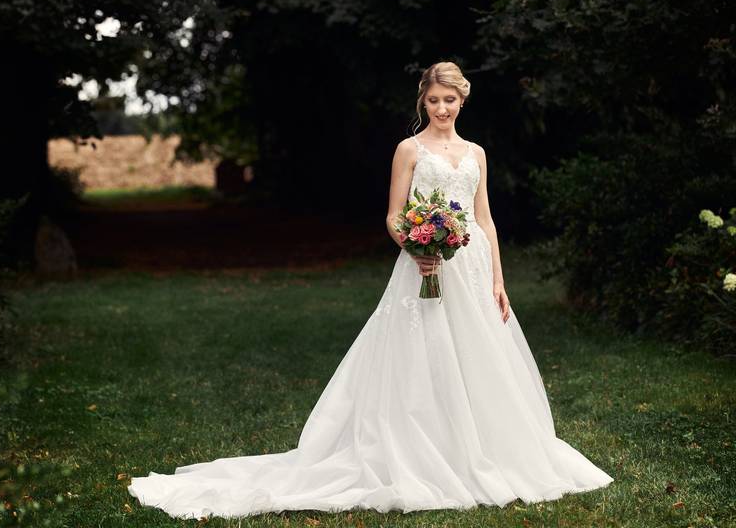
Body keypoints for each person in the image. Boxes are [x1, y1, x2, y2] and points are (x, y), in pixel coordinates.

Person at [127, 61, 614, 519]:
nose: (441, 109)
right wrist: (415, 244)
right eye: (433, 100)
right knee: (423, 356)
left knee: (479, 356)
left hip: (472, 264)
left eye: (450, 100)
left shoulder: (477, 153)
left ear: (463, 100)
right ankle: (424, 449)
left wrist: (498, 279)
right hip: (424, 264)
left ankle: (483, 447)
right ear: (423, 102)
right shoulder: (409, 150)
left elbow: (484, 218)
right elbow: (393, 214)